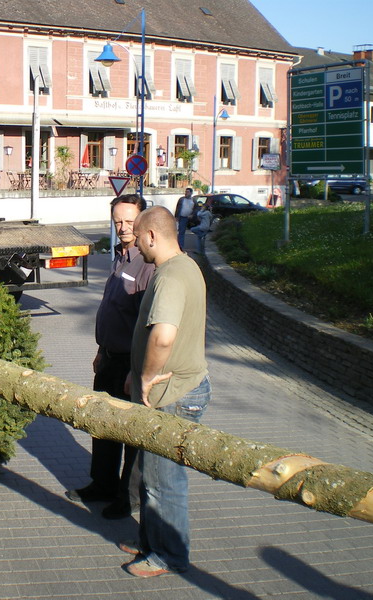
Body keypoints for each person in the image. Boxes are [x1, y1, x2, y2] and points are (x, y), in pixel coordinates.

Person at [119, 206, 212, 578]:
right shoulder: (184, 266)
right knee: (152, 476)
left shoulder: (171, 276)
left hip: (173, 395)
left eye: (138, 238)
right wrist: (135, 371)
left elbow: (163, 336)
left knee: (163, 481)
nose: (136, 246)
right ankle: (151, 541)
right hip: (175, 390)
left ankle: (169, 555)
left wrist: (146, 376)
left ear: (152, 236)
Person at [65, 194, 154, 520]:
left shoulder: (148, 263)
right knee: (102, 425)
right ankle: (102, 484)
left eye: (130, 221)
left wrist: (136, 370)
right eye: (118, 221)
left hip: (131, 364)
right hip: (109, 357)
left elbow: (148, 325)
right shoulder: (120, 256)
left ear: (143, 221)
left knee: (130, 432)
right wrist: (101, 350)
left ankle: (127, 498)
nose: (123, 227)